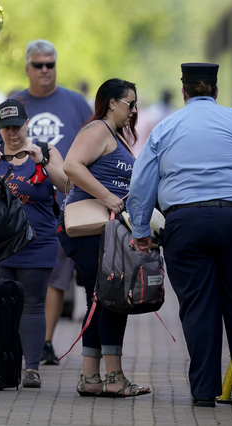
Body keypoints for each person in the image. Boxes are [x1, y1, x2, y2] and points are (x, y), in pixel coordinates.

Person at [127, 61, 232, 407]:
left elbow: (141, 185)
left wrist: (140, 230)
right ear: (214, 91)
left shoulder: (166, 129)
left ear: (184, 92)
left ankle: (204, 391)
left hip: (184, 226)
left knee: (198, 308)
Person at [0, 40, 93, 365]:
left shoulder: (75, 103)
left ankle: (41, 346)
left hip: (52, 216)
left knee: (51, 282)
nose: (46, 70)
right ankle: (9, 354)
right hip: (4, 232)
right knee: (7, 295)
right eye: (39, 65)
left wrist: (46, 163)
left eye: (51, 64)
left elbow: (77, 166)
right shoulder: (12, 104)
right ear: (28, 68)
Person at [57, 78, 149, 398]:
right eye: (129, 103)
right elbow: (71, 165)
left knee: (99, 299)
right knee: (112, 299)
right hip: (90, 231)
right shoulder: (97, 130)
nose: (133, 110)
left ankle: (91, 378)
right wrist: (109, 197)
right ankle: (114, 378)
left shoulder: (114, 136)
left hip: (106, 232)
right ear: (112, 103)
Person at [0, 99, 67, 388]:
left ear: (27, 124)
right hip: (0, 244)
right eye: (6, 128)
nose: (12, 134)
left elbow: (67, 185)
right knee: (1, 306)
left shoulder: (45, 150)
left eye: (17, 127)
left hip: (38, 241)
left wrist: (42, 163)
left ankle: (31, 368)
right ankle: (5, 367)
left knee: (32, 304)